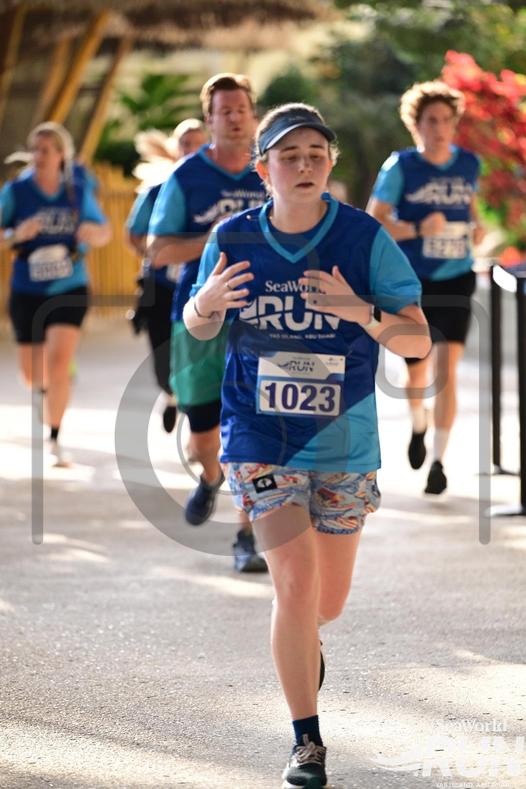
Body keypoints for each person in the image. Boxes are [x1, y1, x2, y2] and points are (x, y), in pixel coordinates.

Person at [183, 103, 430, 787]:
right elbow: (198, 326)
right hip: (259, 435)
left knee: (327, 601)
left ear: (330, 164)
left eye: (315, 154)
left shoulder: (363, 237)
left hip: (344, 440)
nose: (304, 165)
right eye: (288, 156)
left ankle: (304, 636)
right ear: (263, 170)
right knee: (293, 582)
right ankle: (306, 740)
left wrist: (357, 309)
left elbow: (417, 341)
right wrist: (206, 302)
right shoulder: (234, 236)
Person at [148, 73, 268, 573]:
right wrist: (220, 238)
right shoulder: (187, 177)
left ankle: (247, 536)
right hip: (199, 317)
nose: (235, 118)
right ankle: (210, 476)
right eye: (225, 111)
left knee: (252, 431)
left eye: (242, 109)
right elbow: (158, 251)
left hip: (264, 319)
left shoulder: (272, 169)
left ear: (253, 115)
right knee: (204, 437)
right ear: (210, 119)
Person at [367, 80, 485, 494]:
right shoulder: (400, 167)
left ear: (454, 124)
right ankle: (418, 420)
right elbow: (375, 220)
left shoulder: (469, 163)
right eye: (430, 121)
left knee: (446, 371)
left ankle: (439, 461)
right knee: (416, 373)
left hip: (457, 276)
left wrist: (477, 226)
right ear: (415, 125)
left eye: (445, 120)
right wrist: (418, 228)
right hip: (411, 282)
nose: (438, 128)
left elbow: (470, 206)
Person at [0, 122, 111, 465]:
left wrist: (92, 231)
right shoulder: (16, 191)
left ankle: (54, 438)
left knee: (58, 362)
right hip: (27, 288)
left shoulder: (76, 191)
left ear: (62, 155)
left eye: (46, 150)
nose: (38, 155)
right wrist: (16, 234)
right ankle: (50, 387)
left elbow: (104, 231)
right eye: (35, 149)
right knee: (32, 374)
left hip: (69, 286)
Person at [126, 120, 208, 433]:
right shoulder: (156, 192)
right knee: (164, 363)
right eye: (186, 144)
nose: (192, 150)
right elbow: (134, 235)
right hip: (161, 287)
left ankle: (199, 423)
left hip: (203, 289)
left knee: (201, 361)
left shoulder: (216, 191)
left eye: (199, 144)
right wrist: (160, 250)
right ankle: (170, 393)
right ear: (176, 149)